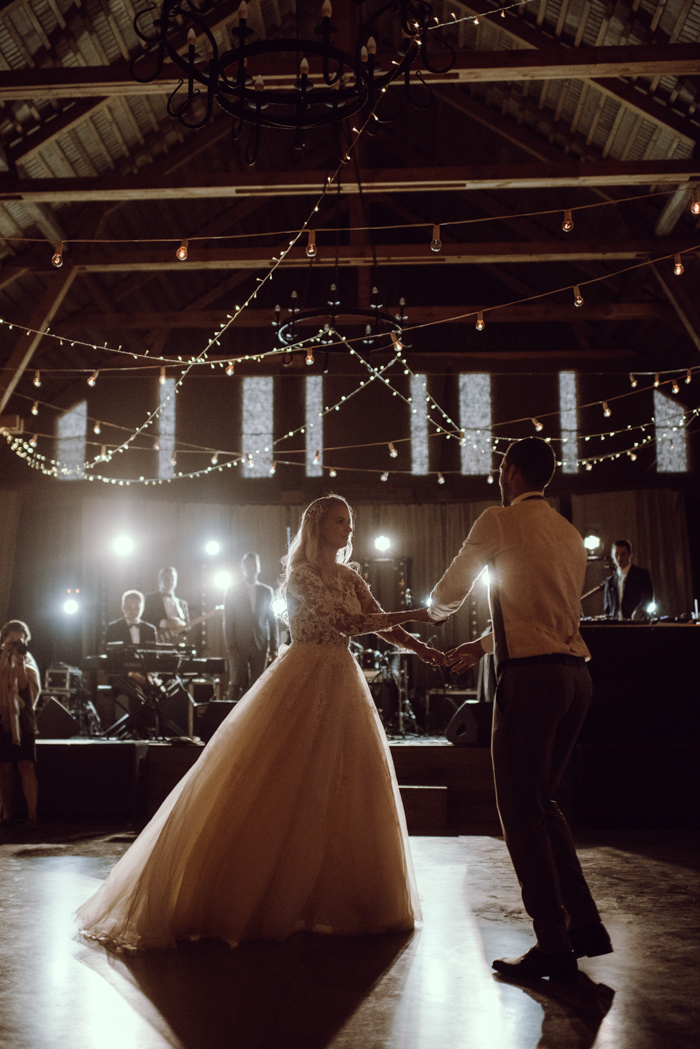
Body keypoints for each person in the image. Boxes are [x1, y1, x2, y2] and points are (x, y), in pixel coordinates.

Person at [76, 495, 444, 949]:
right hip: (304, 676)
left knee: (346, 783)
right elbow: (346, 621)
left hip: (343, 679)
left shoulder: (350, 574)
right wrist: (418, 613)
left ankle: (341, 900)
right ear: (317, 527)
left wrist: (421, 647)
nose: (349, 529)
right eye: (339, 521)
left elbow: (378, 622)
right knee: (281, 777)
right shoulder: (300, 576)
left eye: (350, 521)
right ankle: (254, 895)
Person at [428, 438, 611, 983]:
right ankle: (582, 928)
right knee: (542, 804)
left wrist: (431, 614)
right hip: (576, 678)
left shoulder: (499, 520)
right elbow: (543, 610)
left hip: (531, 682)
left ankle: (552, 943)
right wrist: (480, 646)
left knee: (518, 812)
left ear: (508, 472)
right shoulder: (569, 532)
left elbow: (452, 587)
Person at [0, 620, 41, 826]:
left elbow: (28, 688)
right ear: (4, 640)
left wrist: (19, 663)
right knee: (4, 768)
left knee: (26, 766)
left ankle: (32, 815)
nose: (16, 644)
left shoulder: (27, 660)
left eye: (20, 640)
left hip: (22, 720)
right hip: (2, 719)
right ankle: (6, 815)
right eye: (12, 640)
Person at [223, 553, 279, 701]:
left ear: (259, 568)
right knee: (235, 683)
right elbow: (228, 621)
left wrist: (274, 647)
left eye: (254, 565)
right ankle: (230, 717)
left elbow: (272, 621)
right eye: (248, 565)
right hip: (238, 644)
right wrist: (230, 646)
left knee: (258, 684)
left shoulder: (266, 591)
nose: (251, 569)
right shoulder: (232, 590)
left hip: (260, 644)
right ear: (242, 568)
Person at [603, 539, 654, 620]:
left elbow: (647, 599)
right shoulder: (610, 581)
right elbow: (607, 608)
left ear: (630, 555)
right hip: (615, 626)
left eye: (623, 554)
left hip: (634, 625)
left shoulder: (641, 574)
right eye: (616, 554)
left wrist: (638, 612)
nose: (619, 558)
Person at [143, 567, 190, 643]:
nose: (170, 581)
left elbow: (188, 626)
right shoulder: (149, 599)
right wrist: (165, 623)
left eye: (172, 578)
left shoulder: (182, 603)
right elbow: (144, 620)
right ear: (159, 581)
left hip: (178, 644)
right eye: (167, 578)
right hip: (157, 642)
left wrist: (180, 623)